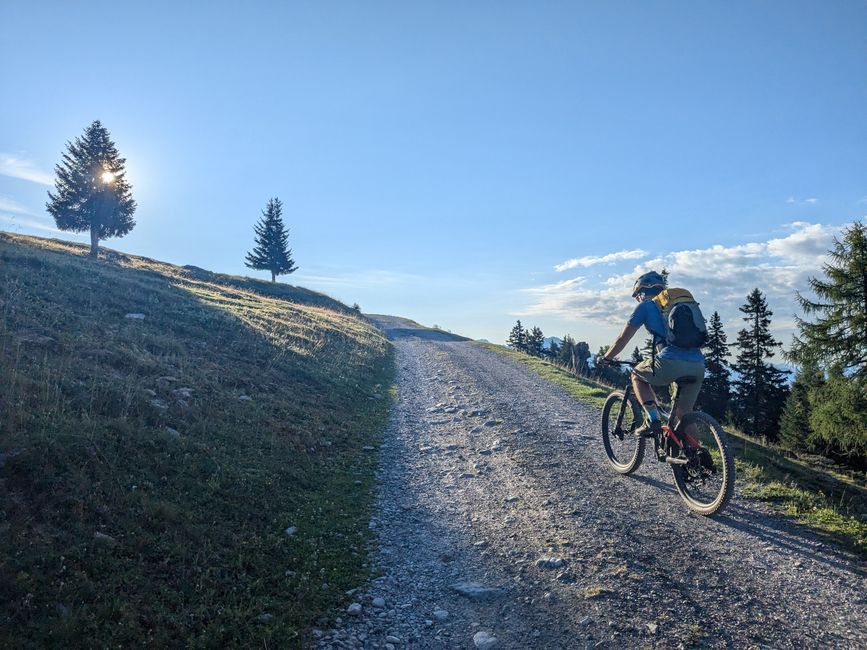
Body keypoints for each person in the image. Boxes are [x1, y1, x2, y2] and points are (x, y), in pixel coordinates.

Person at [597, 271, 705, 436]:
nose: (638, 299)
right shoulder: (675, 305)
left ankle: (652, 420)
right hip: (698, 365)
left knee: (636, 375)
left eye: (637, 295)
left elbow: (622, 338)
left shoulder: (646, 306)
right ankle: (698, 456)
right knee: (683, 415)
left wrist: (607, 358)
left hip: (670, 362)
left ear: (643, 291)